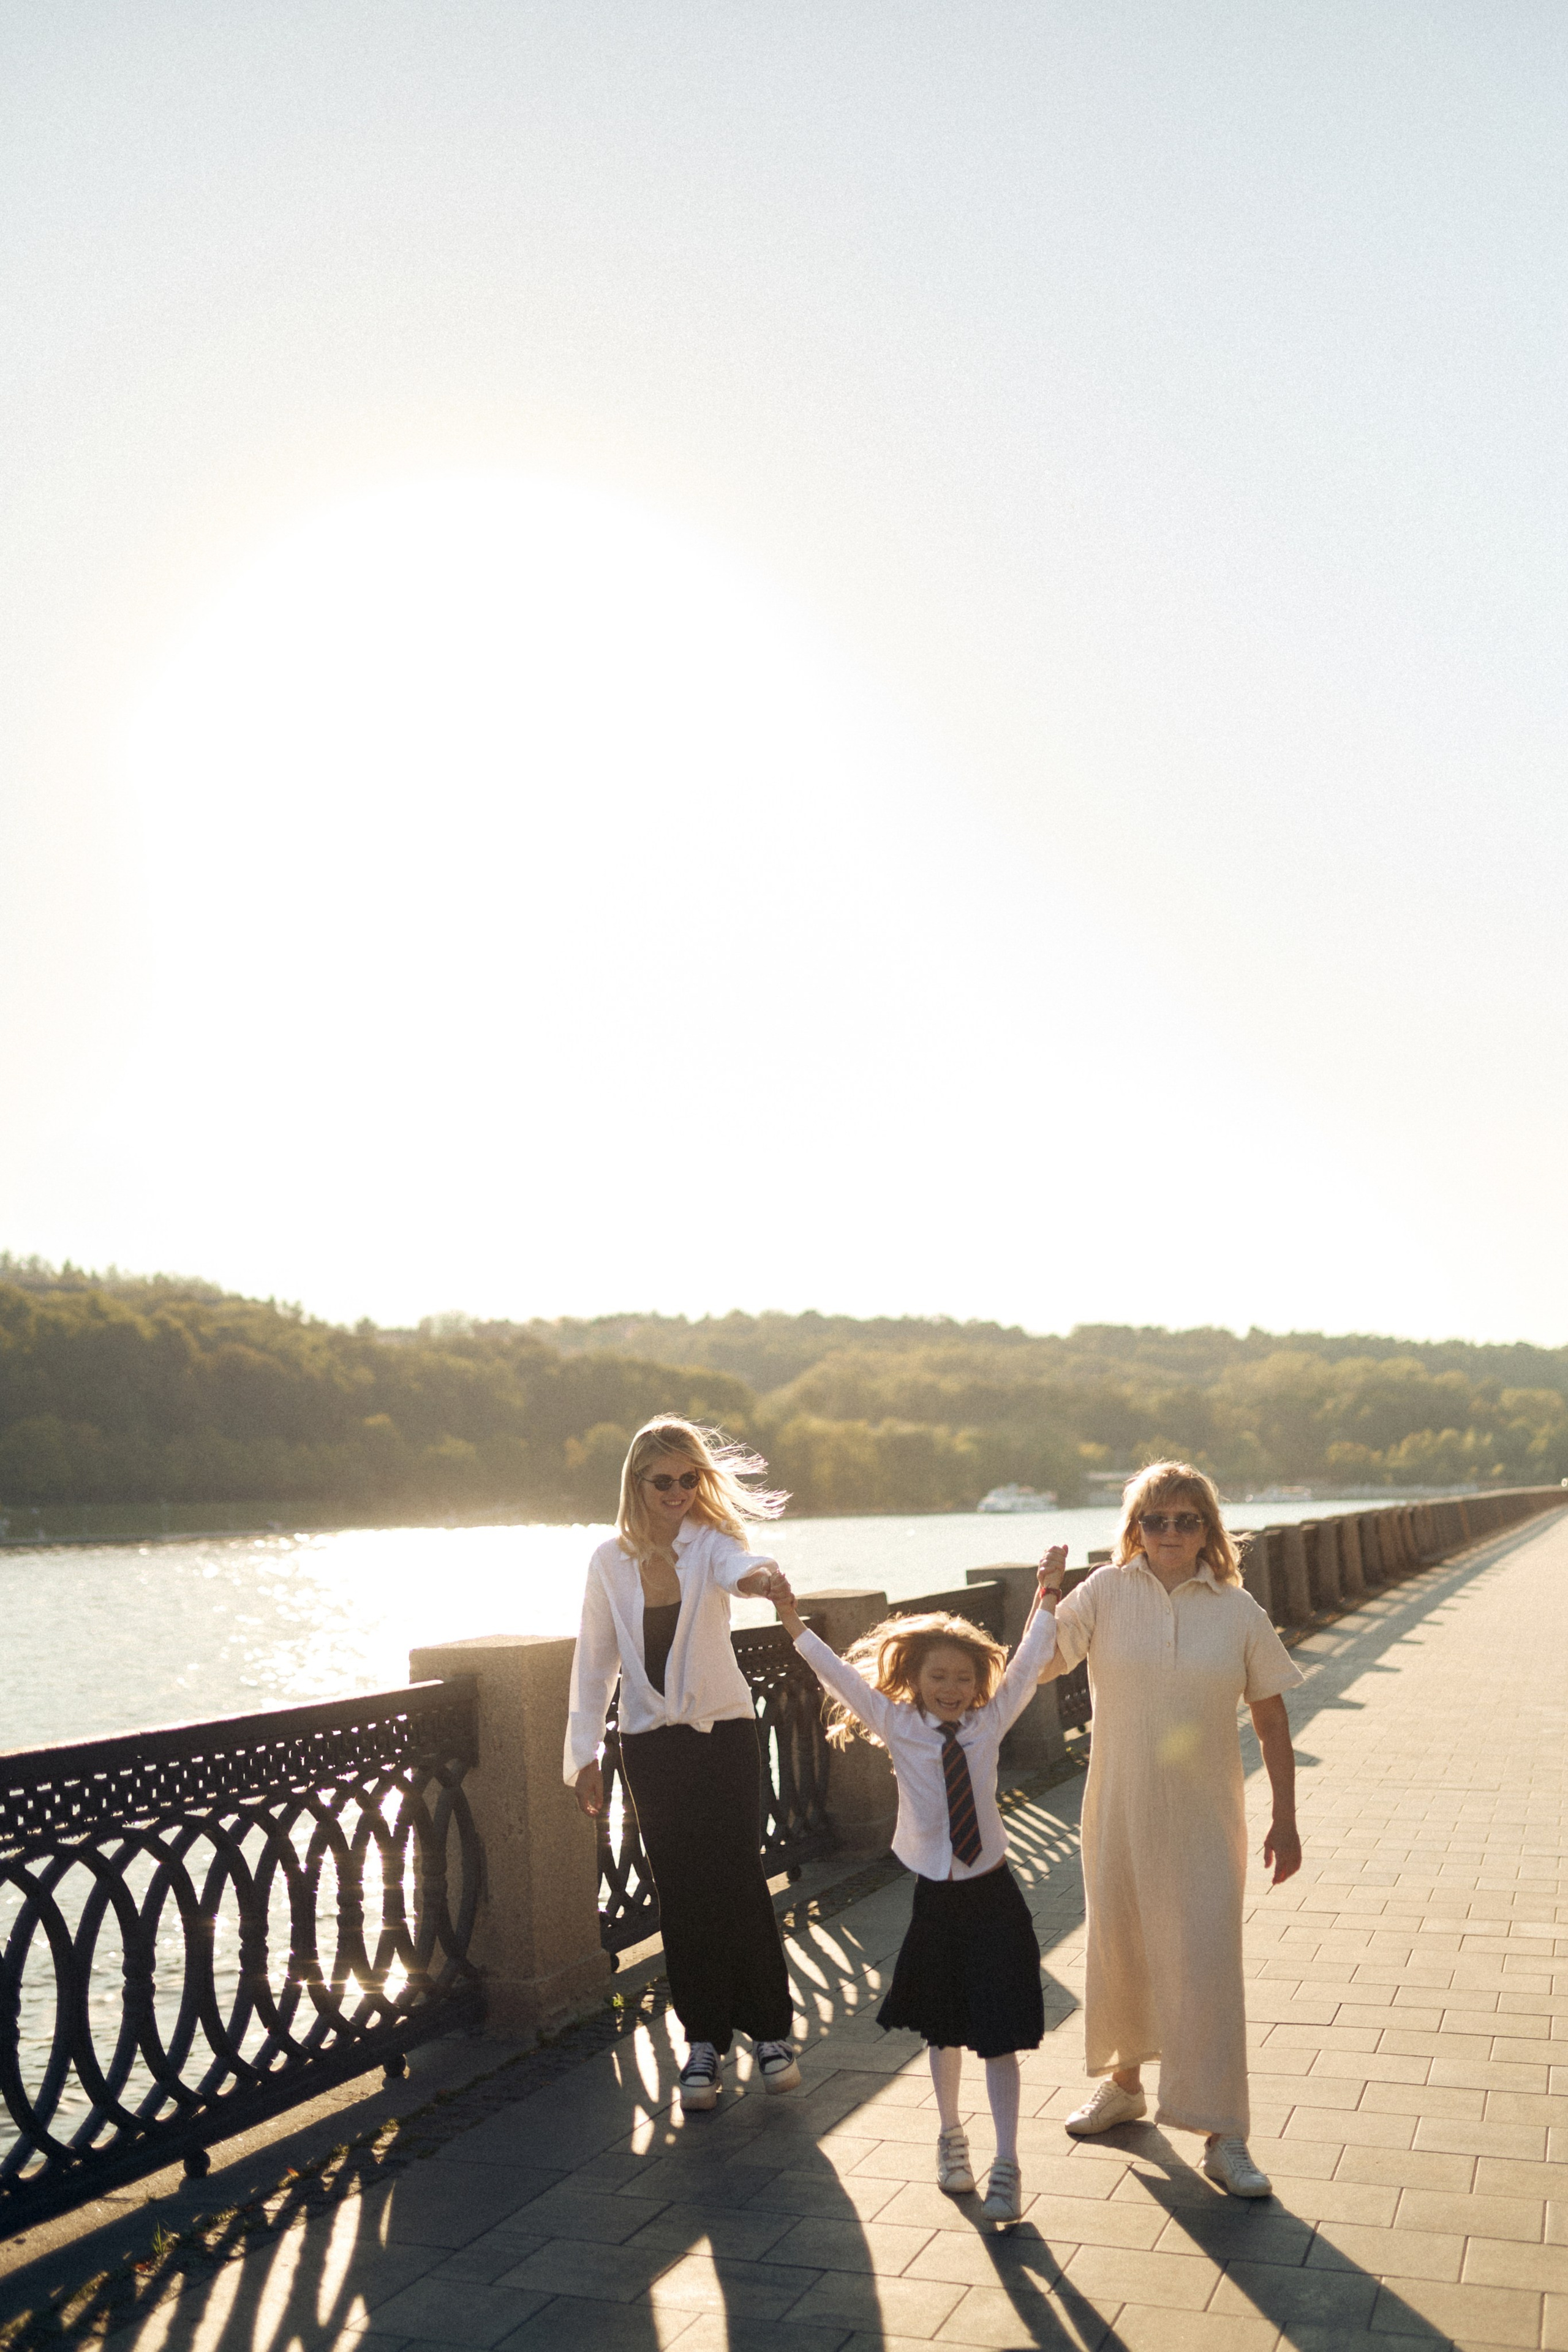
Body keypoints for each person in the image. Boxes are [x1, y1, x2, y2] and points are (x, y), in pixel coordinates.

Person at [769, 1549, 1066, 2229]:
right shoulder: (897, 1725)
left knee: (1000, 2036)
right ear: (915, 1679)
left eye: (963, 1677)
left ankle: (1009, 2164)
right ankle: (951, 2138)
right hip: (936, 1900)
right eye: (939, 1676)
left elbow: (1026, 1660)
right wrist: (789, 1619)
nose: (953, 1687)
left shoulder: (990, 1721)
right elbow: (838, 1676)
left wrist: (1047, 1592)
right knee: (943, 2030)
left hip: (994, 1896)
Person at [1035, 1460, 1304, 2197]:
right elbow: (1043, 1666)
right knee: (1120, 1941)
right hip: (1117, 1807)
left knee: (1207, 1964)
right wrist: (1045, 1596)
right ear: (1135, 1529)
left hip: (1205, 1818)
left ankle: (1225, 2134)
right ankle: (1124, 2085)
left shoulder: (1236, 1608)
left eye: (1188, 1520)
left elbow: (1271, 1711)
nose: (1172, 1533)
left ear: (1209, 1531)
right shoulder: (1104, 1593)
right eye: (1157, 1520)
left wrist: (1284, 1814)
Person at [565, 1416, 799, 2112]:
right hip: (650, 1745)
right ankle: (703, 2039)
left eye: (688, 1479)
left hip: (721, 1733)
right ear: (637, 1483)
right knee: (682, 1888)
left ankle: (770, 2033)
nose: (676, 1492)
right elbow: (595, 1660)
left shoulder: (713, 1545)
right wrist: (584, 1755)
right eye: (662, 1481)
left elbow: (743, 1569)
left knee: (735, 1877)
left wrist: (763, 1580)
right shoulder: (609, 1561)